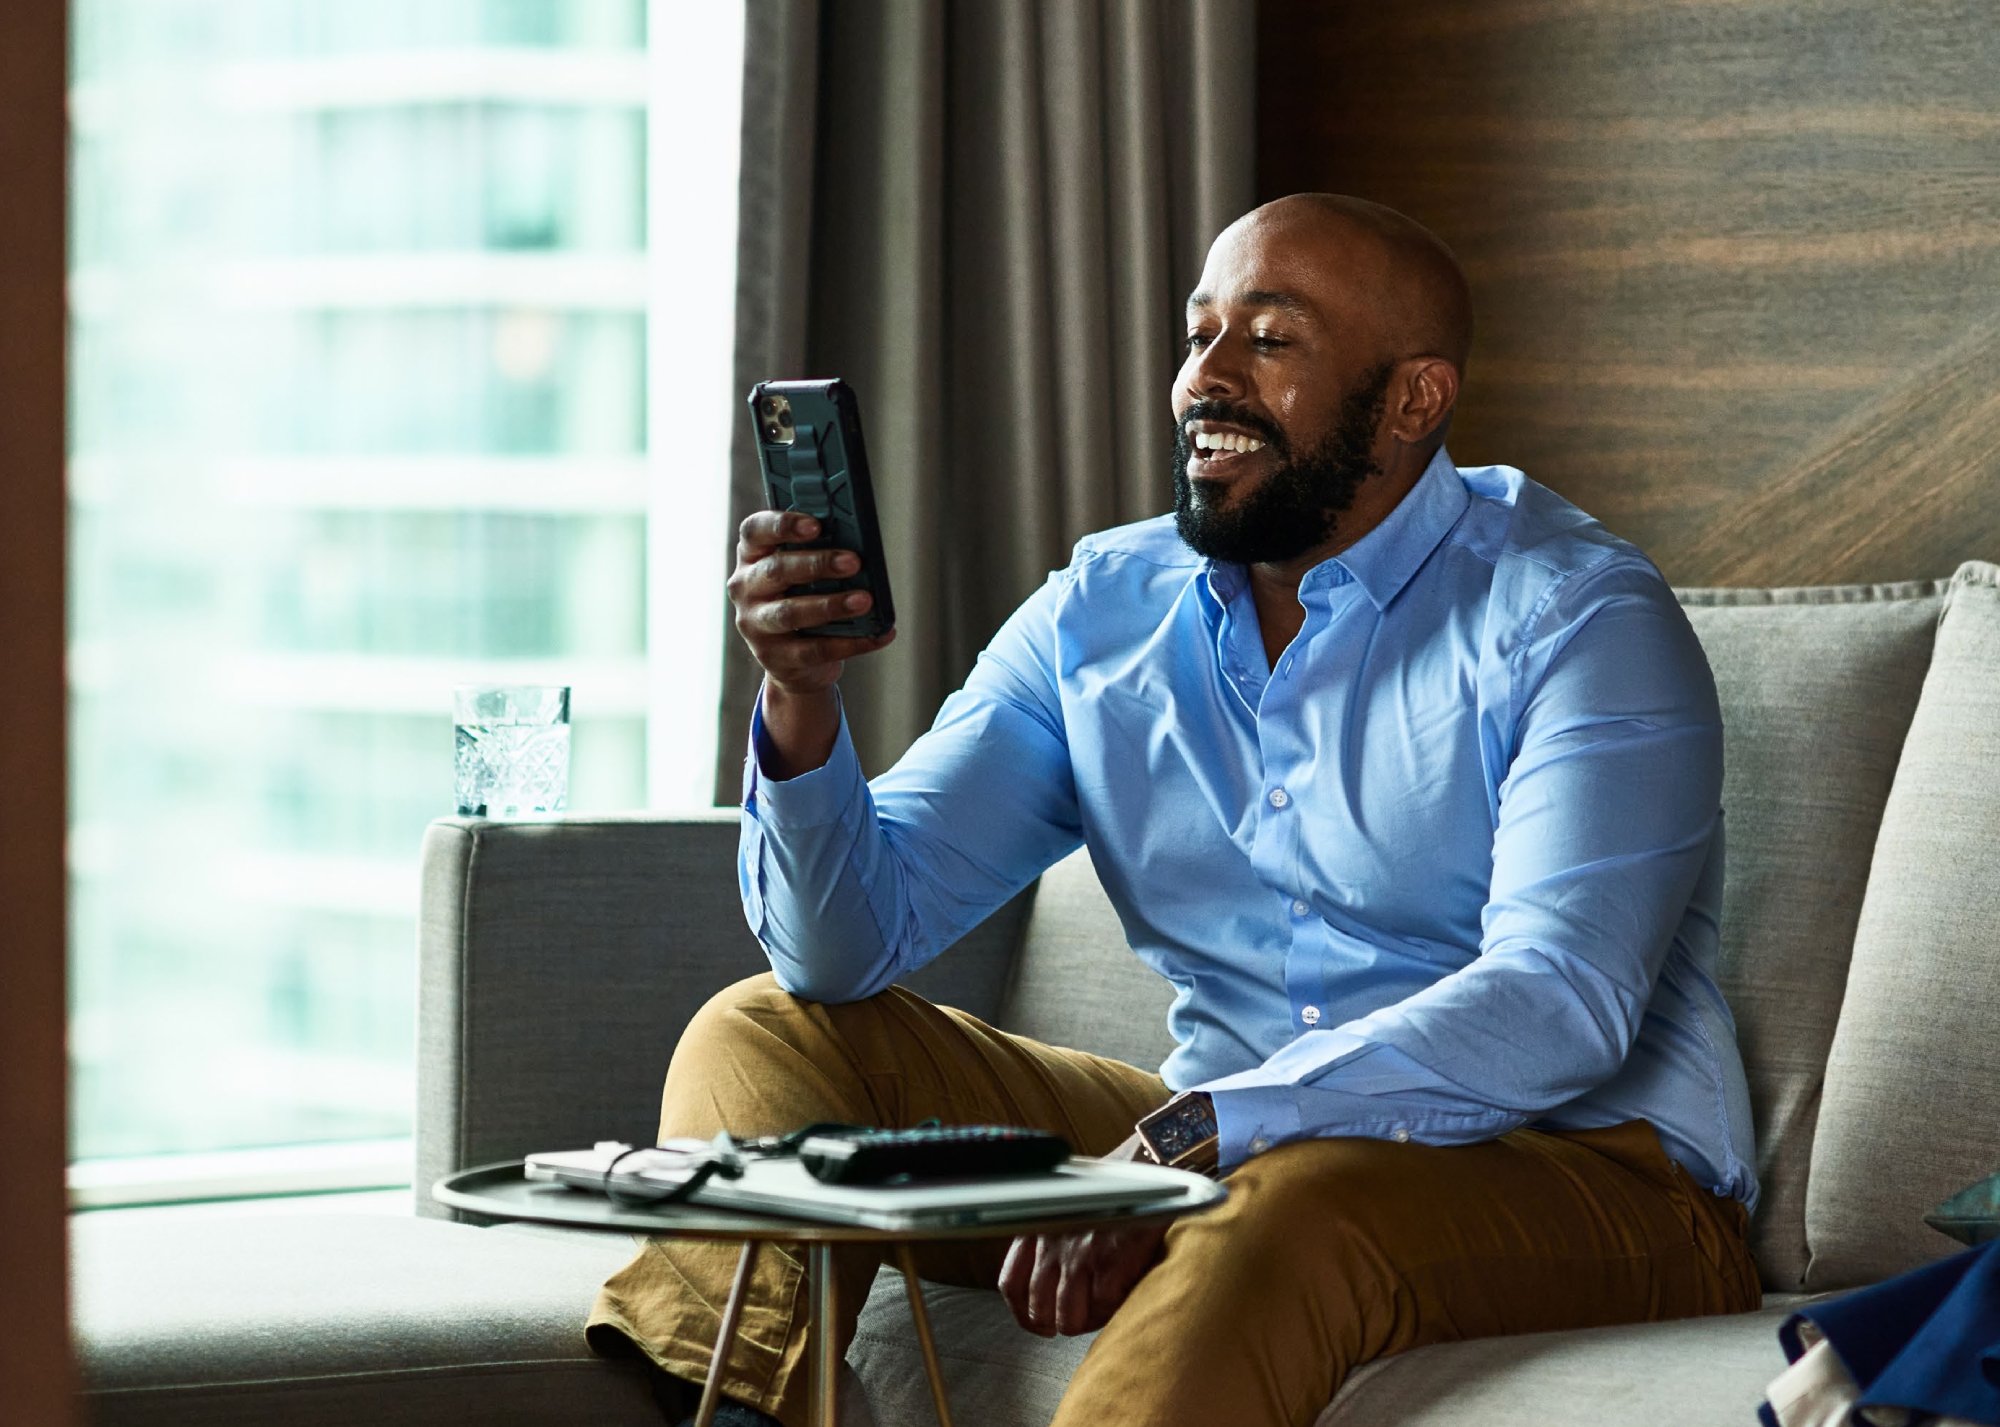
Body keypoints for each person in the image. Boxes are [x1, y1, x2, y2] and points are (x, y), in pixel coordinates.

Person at [587, 193, 1762, 1427]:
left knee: (1275, 1200)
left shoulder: (1574, 614)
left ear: (1415, 399)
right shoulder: (1103, 610)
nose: (1204, 377)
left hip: (1592, 1175)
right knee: (766, 1033)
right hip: (1220, 1142)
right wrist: (800, 693)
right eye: (1197, 334)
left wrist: (1205, 1132)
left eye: (1267, 339)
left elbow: (1557, 1000)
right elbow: (841, 944)